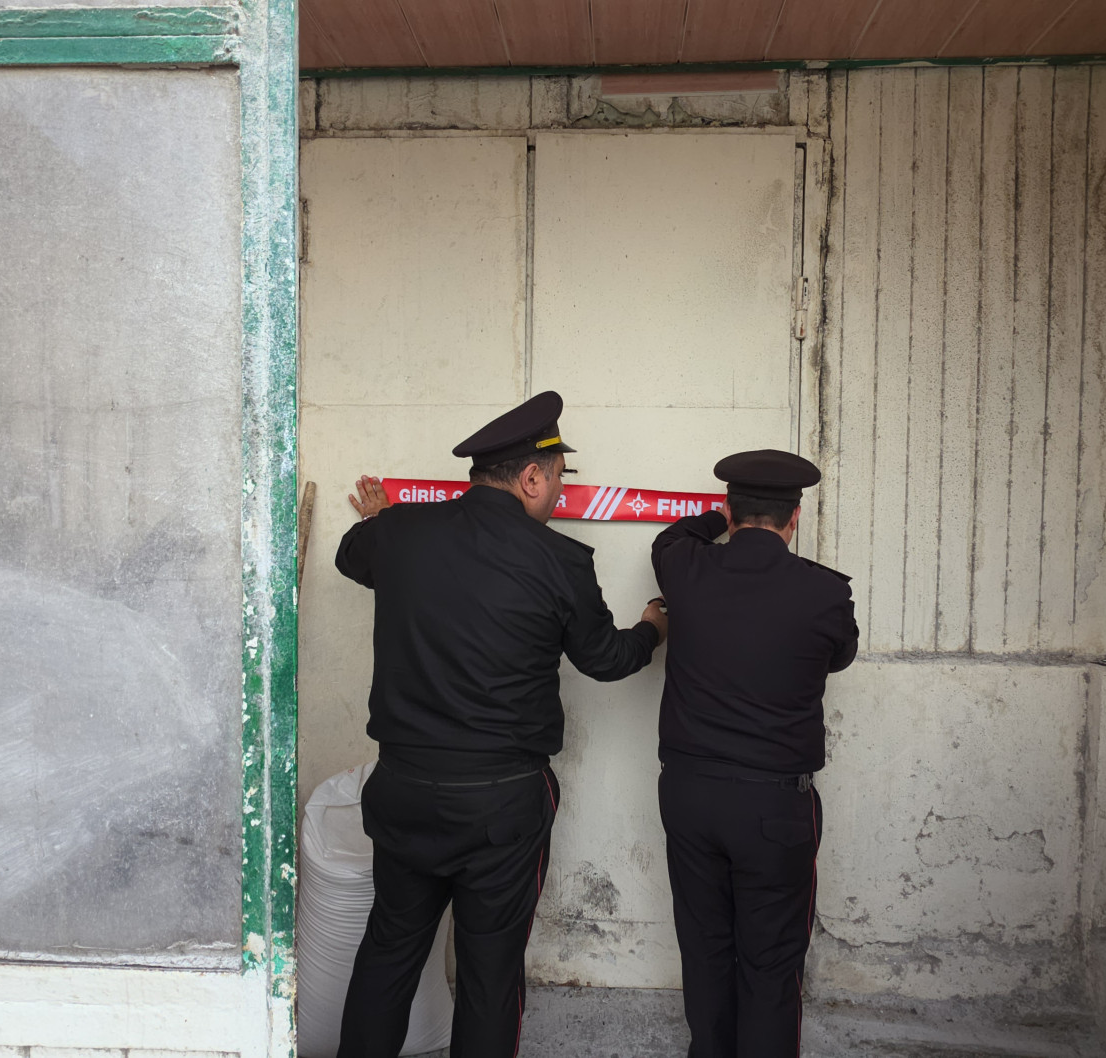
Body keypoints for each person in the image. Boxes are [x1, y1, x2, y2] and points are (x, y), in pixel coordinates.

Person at [334, 391, 669, 1058]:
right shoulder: (562, 562)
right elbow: (603, 660)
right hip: (501, 806)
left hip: (402, 790)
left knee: (389, 953)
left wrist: (378, 521)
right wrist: (652, 630)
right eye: (559, 479)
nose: (559, 494)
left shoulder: (399, 534)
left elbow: (354, 557)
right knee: (490, 975)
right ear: (533, 476)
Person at [650, 449, 859, 1058]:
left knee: (705, 947)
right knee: (770, 966)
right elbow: (839, 657)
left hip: (689, 797)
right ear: (794, 518)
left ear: (726, 509)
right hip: (774, 809)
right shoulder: (824, 593)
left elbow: (674, 536)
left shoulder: (684, 568)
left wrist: (721, 526)